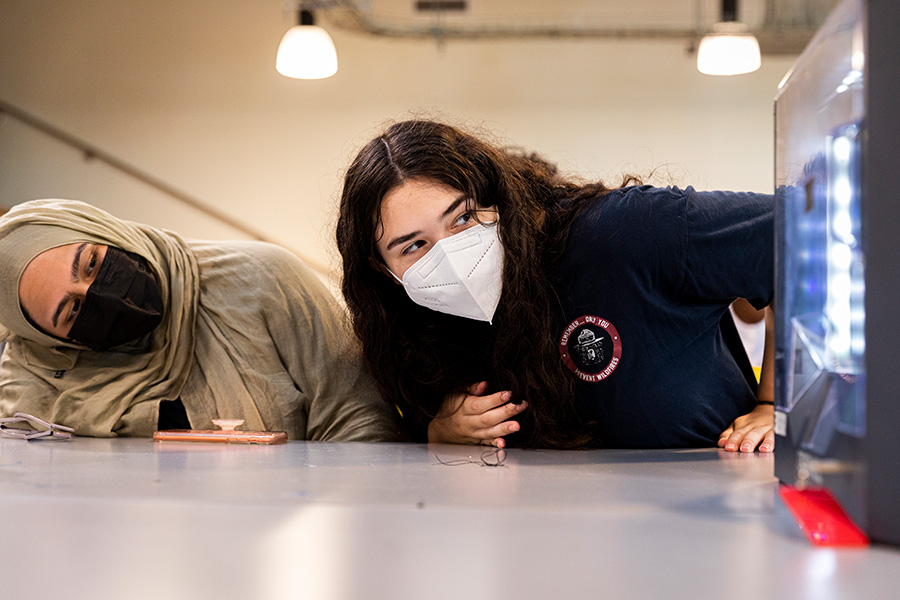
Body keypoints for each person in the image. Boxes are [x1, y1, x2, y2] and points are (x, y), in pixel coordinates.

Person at [336, 119, 774, 451]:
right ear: (381, 268)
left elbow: (804, 233)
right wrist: (439, 431)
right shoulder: (414, 334)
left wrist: (778, 405)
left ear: (497, 197)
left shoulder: (625, 234)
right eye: (414, 246)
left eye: (463, 218)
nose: (450, 255)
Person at [0, 199, 400, 440]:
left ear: (104, 230)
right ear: (54, 342)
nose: (98, 293)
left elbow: (360, 417)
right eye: (71, 311)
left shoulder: (264, 279)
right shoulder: (35, 378)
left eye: (91, 263)